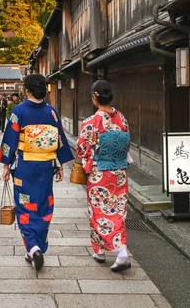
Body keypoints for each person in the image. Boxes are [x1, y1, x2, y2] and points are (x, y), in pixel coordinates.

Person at [0, 74, 73, 271]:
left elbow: (10, 140)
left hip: (25, 167)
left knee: (25, 205)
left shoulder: (19, 111)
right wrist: (61, 164)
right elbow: (59, 140)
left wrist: (6, 165)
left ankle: (32, 247)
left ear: (27, 90)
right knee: (43, 204)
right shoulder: (52, 113)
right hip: (46, 166)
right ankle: (38, 244)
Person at [76, 80, 131, 272]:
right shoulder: (121, 118)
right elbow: (126, 144)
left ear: (94, 97)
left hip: (100, 174)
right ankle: (99, 250)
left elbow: (82, 149)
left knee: (101, 213)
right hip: (119, 172)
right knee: (117, 210)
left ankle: (120, 251)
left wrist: (87, 162)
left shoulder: (91, 122)